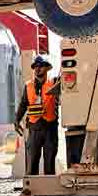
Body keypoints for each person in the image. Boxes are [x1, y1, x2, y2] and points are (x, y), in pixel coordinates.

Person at [14, 55, 61, 189]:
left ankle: (50, 189)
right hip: (34, 129)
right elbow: (23, 104)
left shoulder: (54, 82)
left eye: (41, 66)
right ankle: (32, 189)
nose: (38, 69)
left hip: (50, 128)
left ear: (47, 68)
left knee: (49, 160)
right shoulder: (28, 86)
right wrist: (17, 120)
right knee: (33, 160)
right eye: (36, 67)